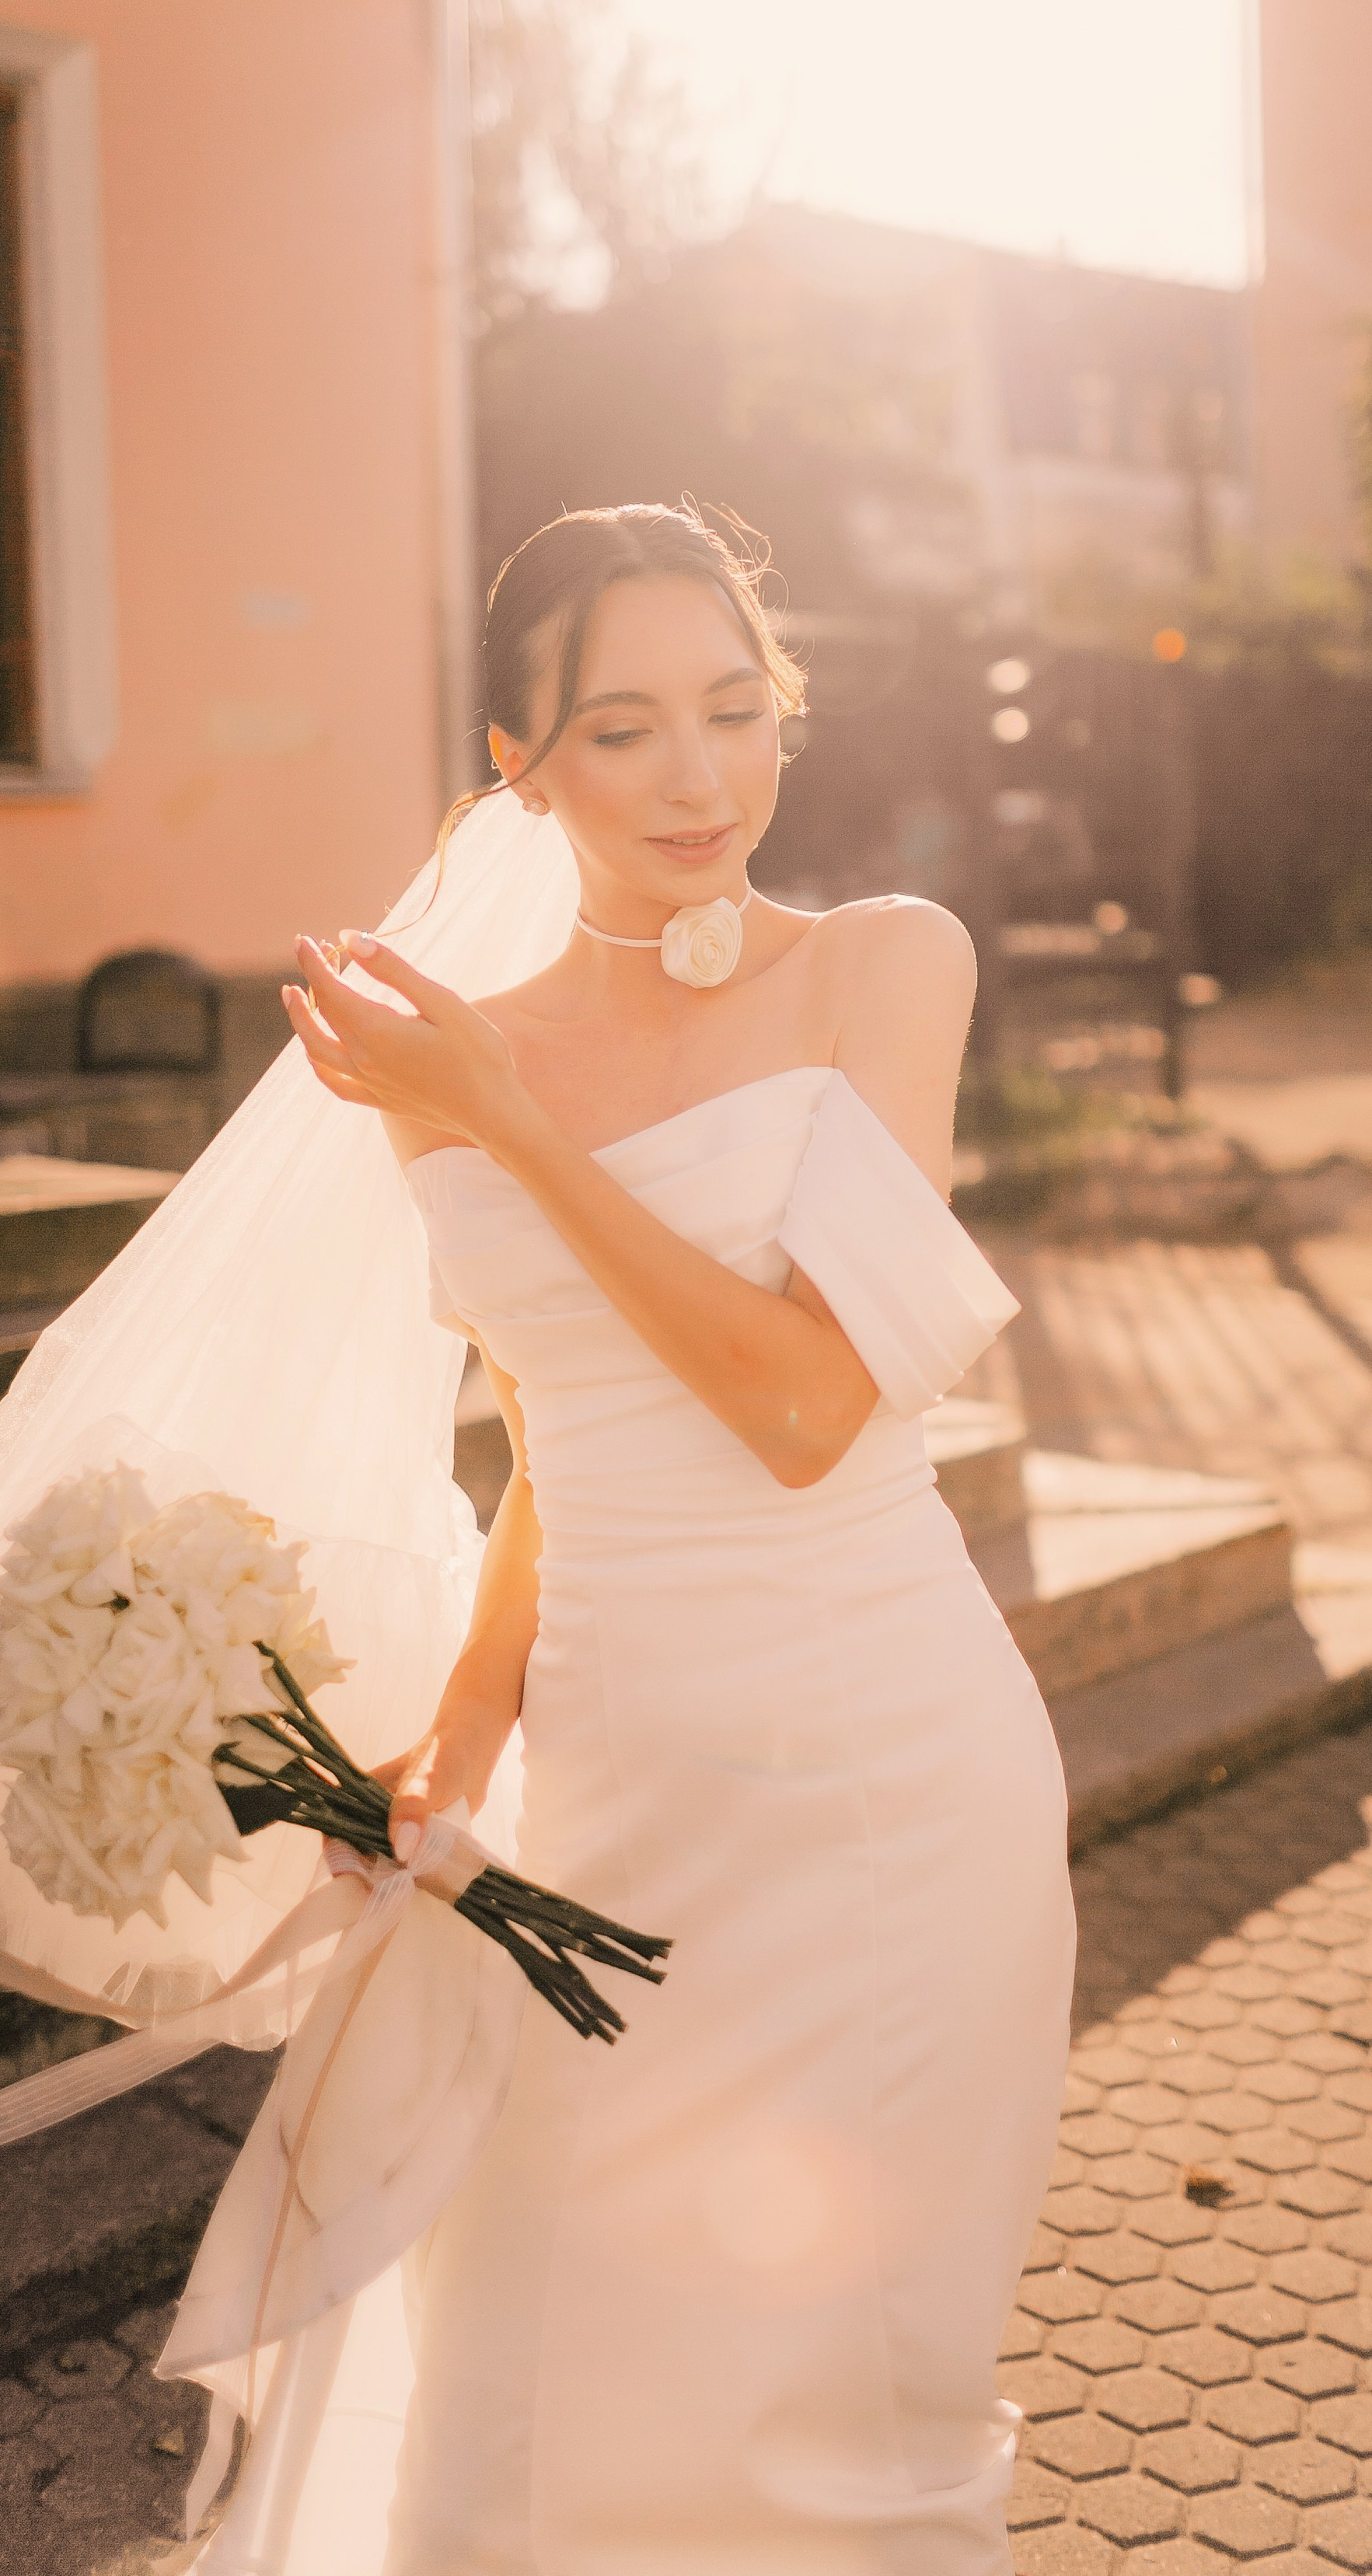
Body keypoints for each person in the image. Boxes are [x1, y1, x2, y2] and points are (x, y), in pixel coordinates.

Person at [277, 503, 1076, 2571]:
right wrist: (456, 1745)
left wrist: (523, 1120)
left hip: (883, 1781)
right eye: (621, 731)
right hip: (608, 1802)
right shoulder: (445, 1056)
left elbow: (809, 1407)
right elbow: (558, 1428)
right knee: (541, 2381)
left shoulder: (889, 966)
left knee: (835, 2416)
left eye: (737, 712)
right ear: (513, 764)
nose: (700, 779)